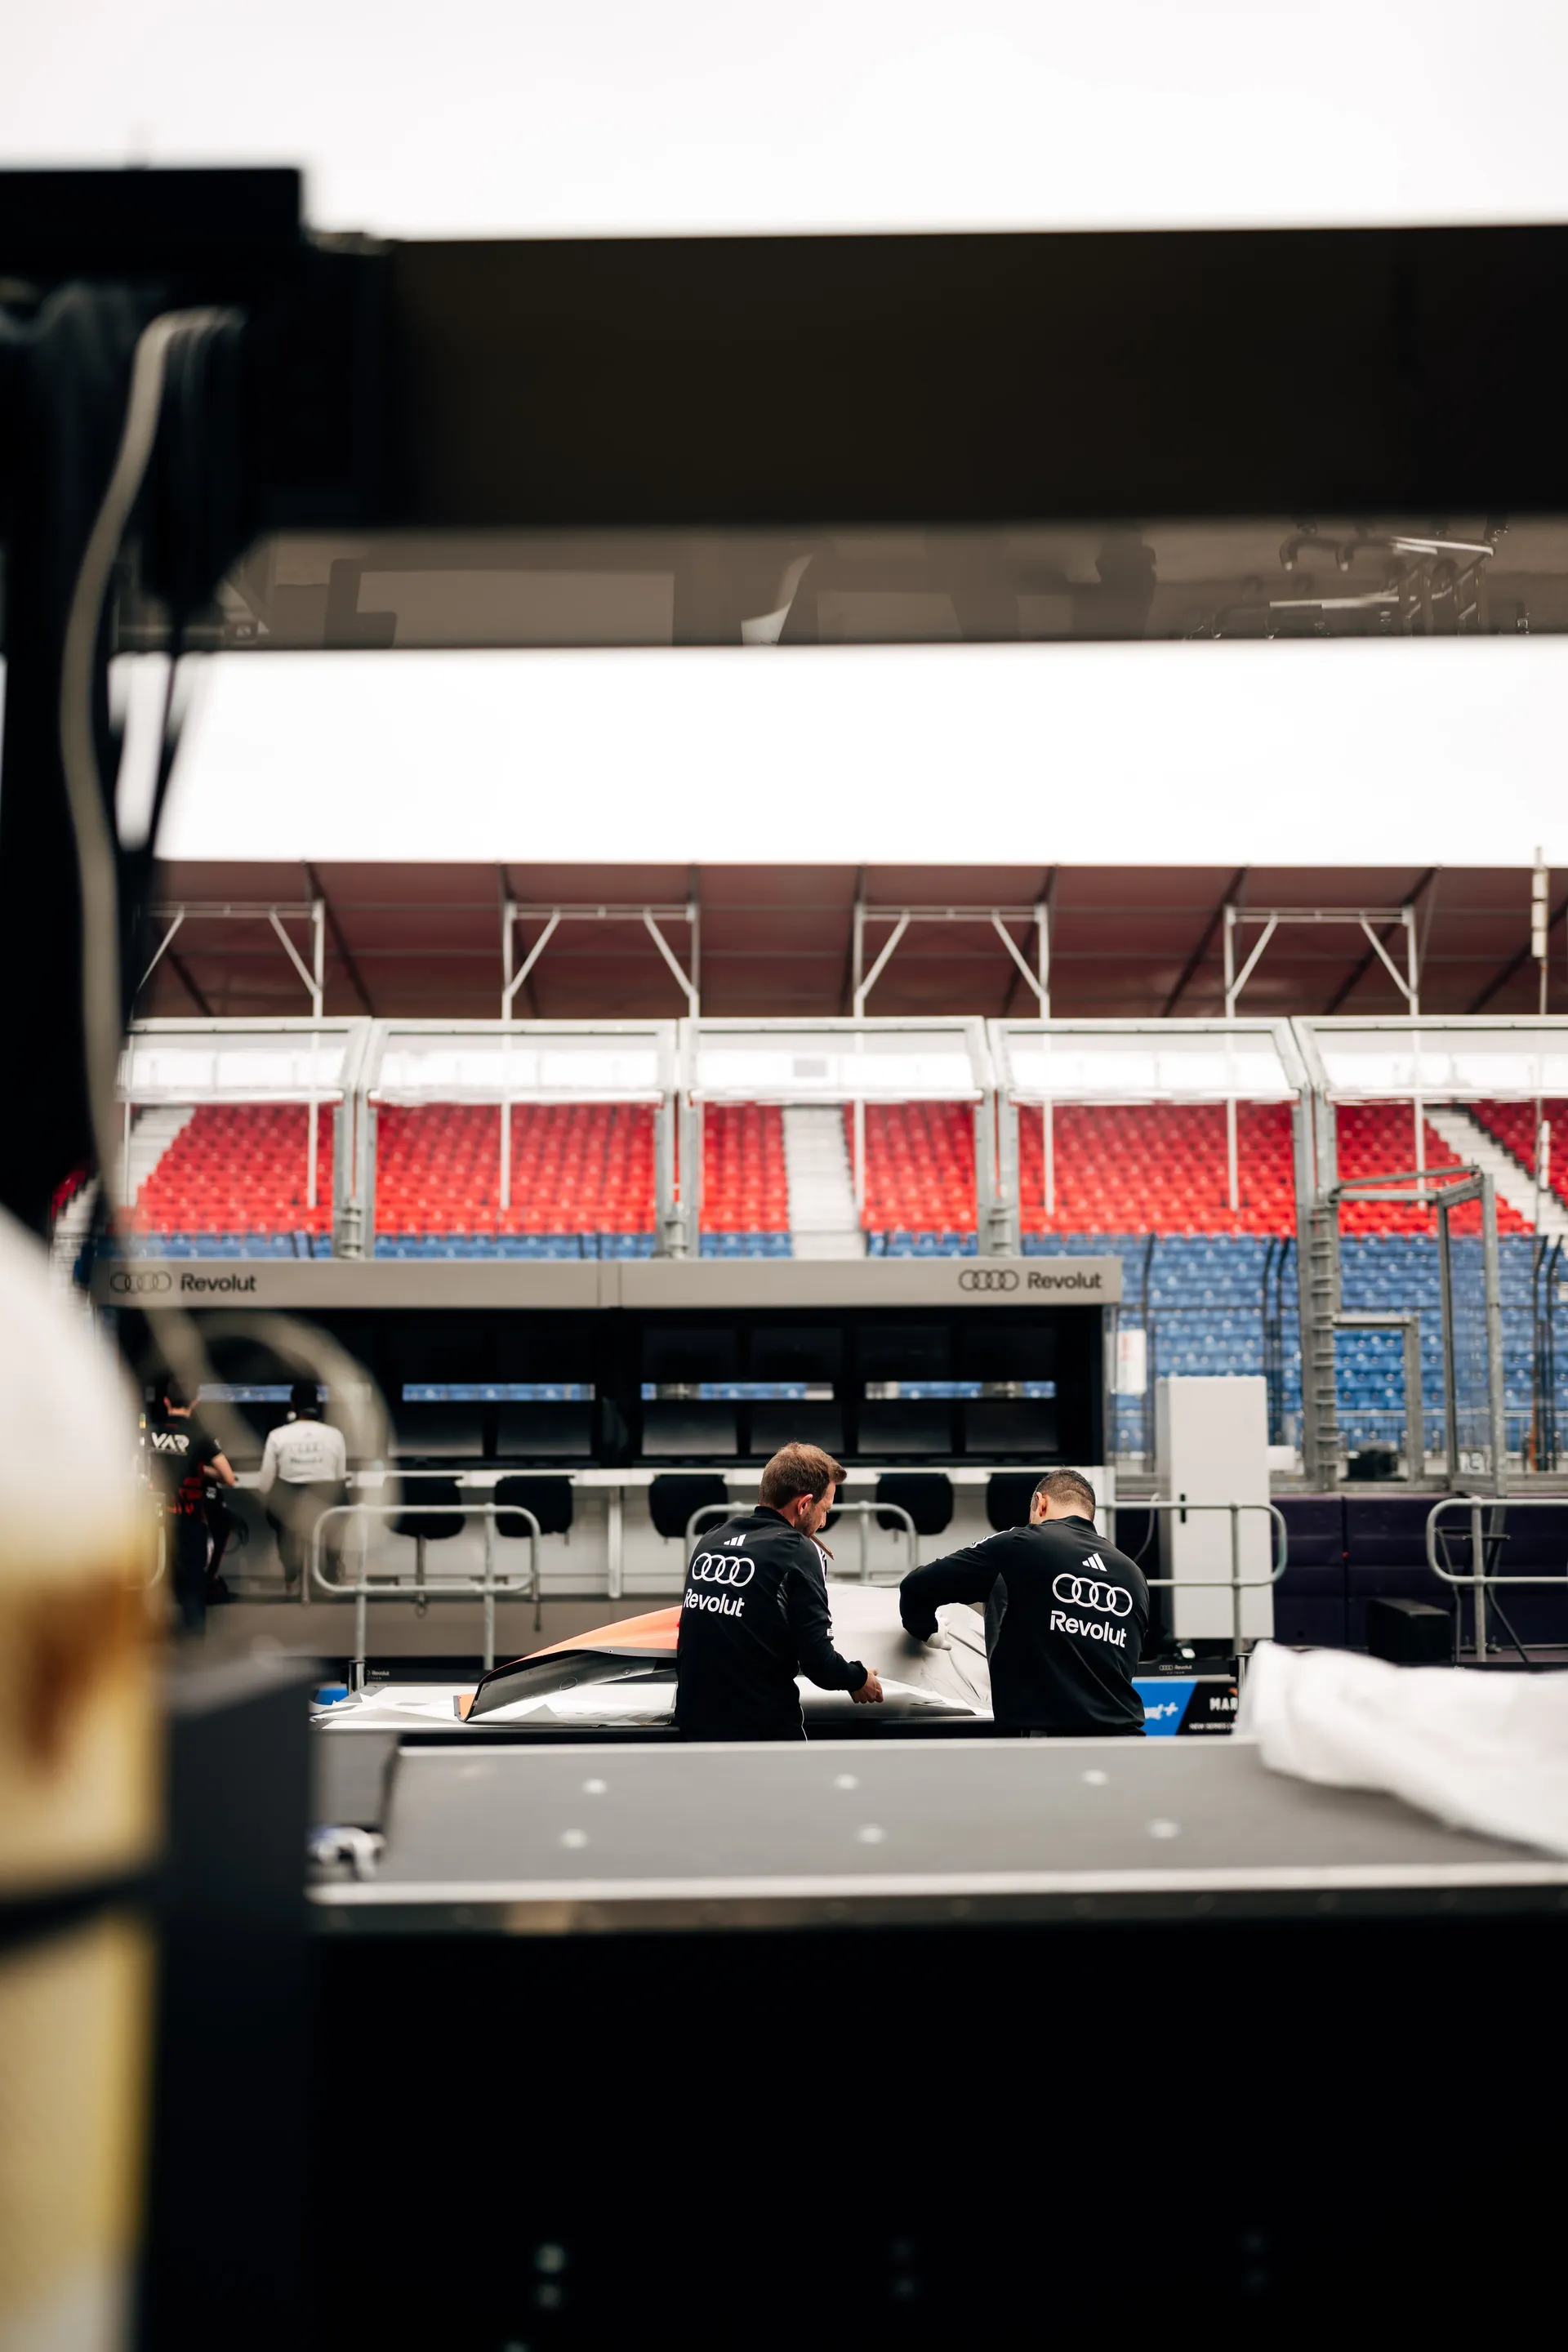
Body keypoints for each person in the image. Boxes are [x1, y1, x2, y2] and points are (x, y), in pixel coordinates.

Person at [899, 1468, 1147, 1736]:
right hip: (1125, 1742)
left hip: (1045, 1747)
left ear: (1041, 1504)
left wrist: (927, 1630)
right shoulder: (1134, 1575)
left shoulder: (1020, 1543)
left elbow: (917, 1587)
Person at [674, 1441, 884, 1740]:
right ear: (803, 1504)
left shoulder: (711, 1539)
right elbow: (818, 1664)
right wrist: (859, 1678)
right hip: (760, 1734)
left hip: (692, 1726)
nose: (823, 1522)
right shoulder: (797, 1550)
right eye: (824, 1510)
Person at [148, 1377, 236, 1636]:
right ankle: (194, 1646)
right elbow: (228, 1477)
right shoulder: (200, 1435)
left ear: (166, 1402)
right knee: (192, 1590)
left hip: (154, 1523)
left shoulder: (151, 1431)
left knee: (155, 1587)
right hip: (189, 1522)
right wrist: (202, 1470)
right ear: (194, 1402)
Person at [260, 1380, 348, 1588]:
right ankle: (333, 1565)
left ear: (292, 1406)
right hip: (325, 1506)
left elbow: (264, 1483)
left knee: (278, 1506)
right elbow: (340, 1475)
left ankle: (291, 1568)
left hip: (291, 1508)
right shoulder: (335, 1436)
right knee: (340, 1508)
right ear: (318, 1406)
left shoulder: (277, 1436)